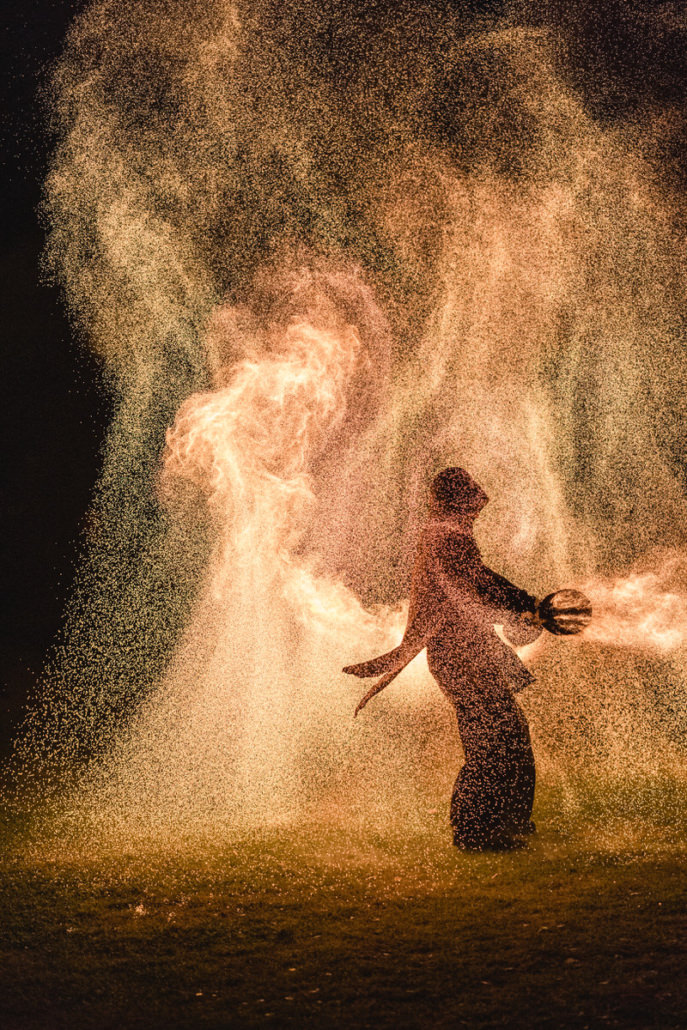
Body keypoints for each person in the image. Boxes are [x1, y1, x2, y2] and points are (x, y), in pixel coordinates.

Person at [344, 467, 540, 850]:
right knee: (492, 744)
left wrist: (520, 604)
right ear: (457, 501)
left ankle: (509, 824)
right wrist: (519, 603)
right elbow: (470, 588)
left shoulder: (445, 534)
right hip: (459, 656)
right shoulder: (445, 537)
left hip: (468, 652)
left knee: (508, 736)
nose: (478, 510)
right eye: (471, 501)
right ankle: (476, 834)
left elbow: (477, 582)